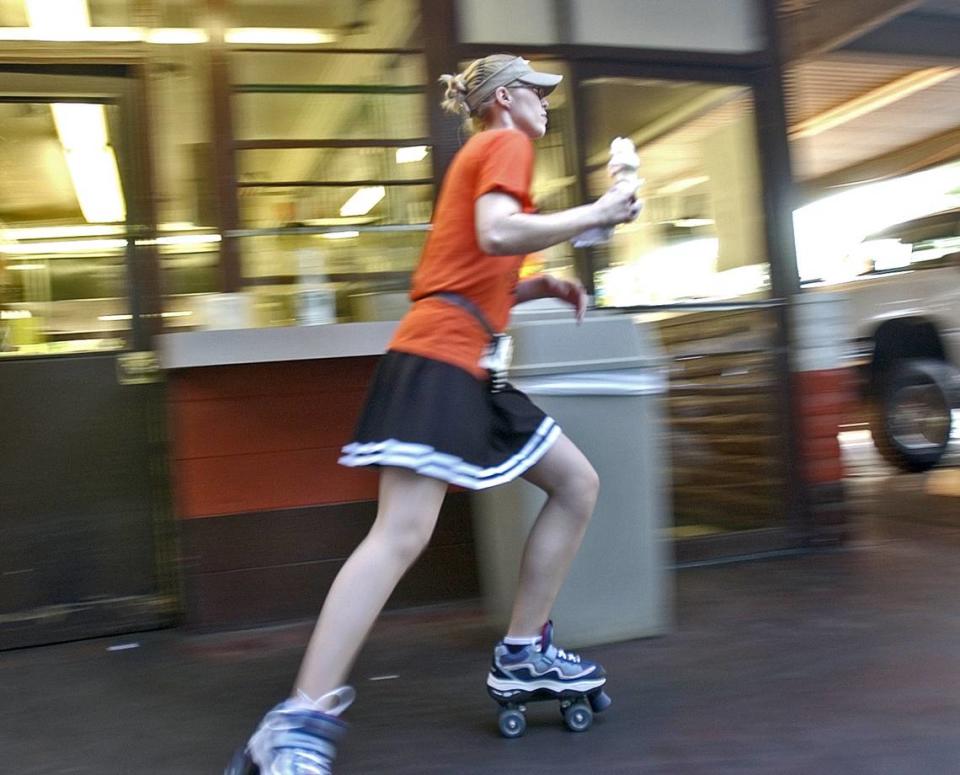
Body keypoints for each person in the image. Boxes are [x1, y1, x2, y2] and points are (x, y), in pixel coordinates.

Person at [227, 54, 641, 775]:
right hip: (443, 361)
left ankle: (523, 650)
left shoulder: (489, 156)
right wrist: (602, 213)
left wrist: (539, 287)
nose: (546, 105)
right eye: (538, 93)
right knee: (400, 533)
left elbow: (473, 270)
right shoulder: (503, 144)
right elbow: (495, 232)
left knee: (576, 483)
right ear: (506, 98)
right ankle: (295, 719)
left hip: (468, 360)